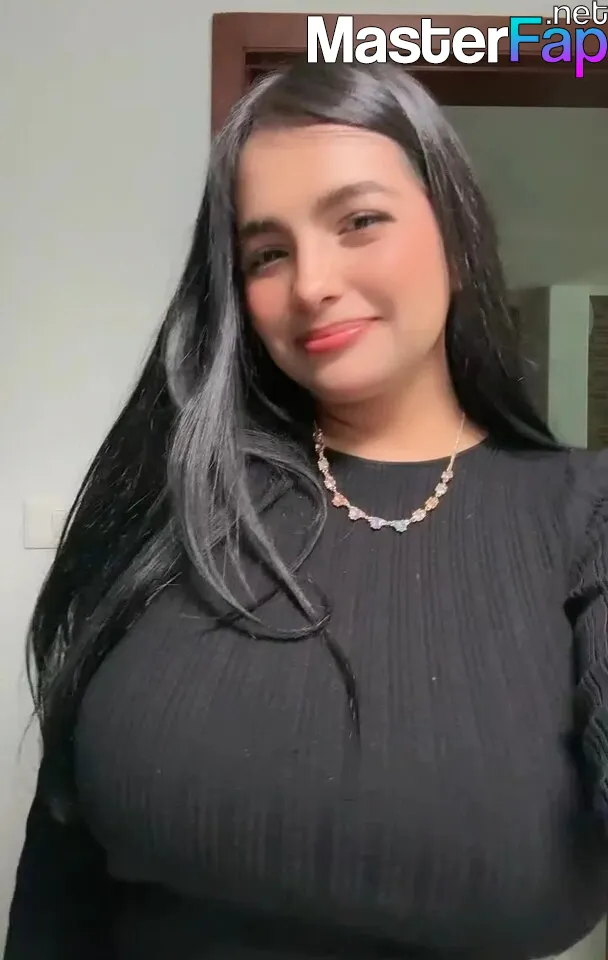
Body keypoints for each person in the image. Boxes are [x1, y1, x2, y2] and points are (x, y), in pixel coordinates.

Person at [4, 56, 608, 960]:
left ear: (453, 229)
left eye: (359, 220)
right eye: (268, 253)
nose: (312, 283)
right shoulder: (174, 502)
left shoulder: (583, 516)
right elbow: (60, 878)